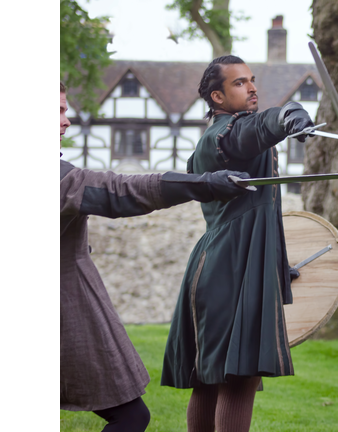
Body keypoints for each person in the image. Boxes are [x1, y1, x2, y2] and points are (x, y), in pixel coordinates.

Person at [60, 81, 253, 432]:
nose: (66, 121)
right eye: (57, 111)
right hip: (63, 311)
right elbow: (120, 191)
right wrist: (204, 184)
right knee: (131, 417)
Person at [160, 55, 315, 432]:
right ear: (217, 96)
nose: (252, 87)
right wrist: (284, 116)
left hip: (227, 266)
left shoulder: (224, 135)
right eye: (239, 83)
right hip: (229, 271)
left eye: (252, 80)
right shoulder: (220, 136)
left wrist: (276, 265)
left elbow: (258, 216)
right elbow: (252, 132)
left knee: (213, 379)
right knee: (236, 376)